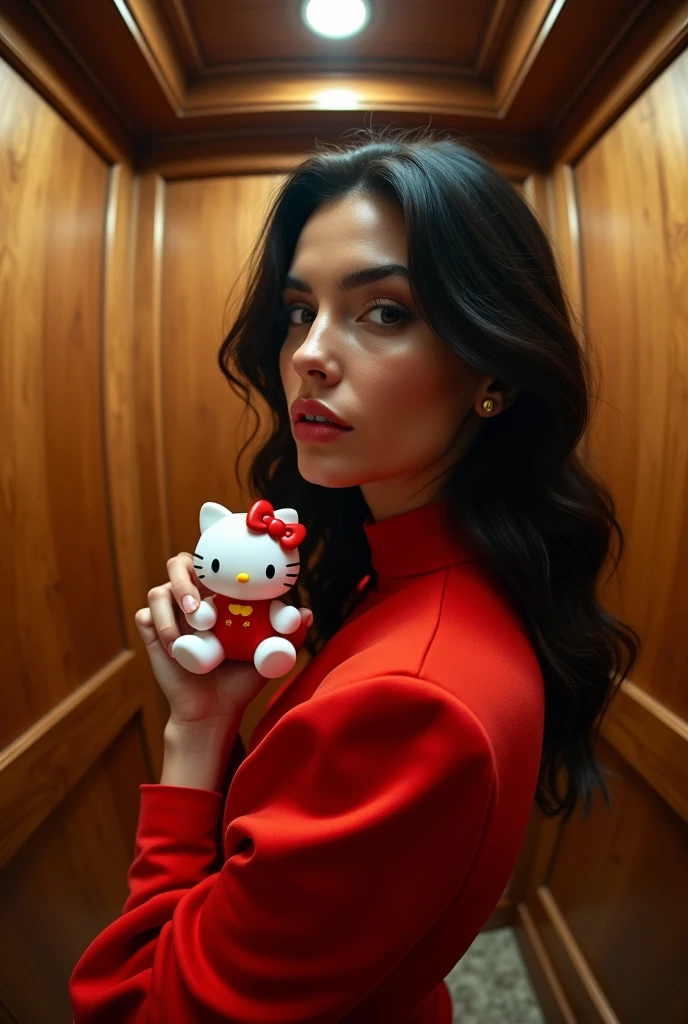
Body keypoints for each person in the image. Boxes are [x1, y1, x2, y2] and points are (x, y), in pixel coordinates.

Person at [69, 125, 640, 1023]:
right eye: (300, 311)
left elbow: (138, 1011)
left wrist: (187, 750)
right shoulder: (427, 579)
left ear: (490, 367)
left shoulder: (414, 699)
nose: (307, 352)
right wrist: (210, 710)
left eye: (384, 312)